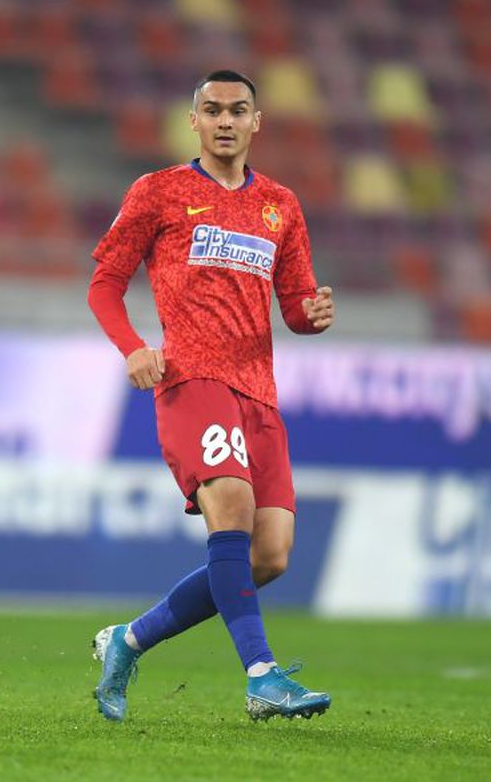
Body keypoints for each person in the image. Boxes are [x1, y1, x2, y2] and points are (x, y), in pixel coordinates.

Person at [87, 70, 335, 723]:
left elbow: (296, 307)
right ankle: (262, 676)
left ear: (258, 123)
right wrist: (135, 349)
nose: (225, 121)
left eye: (238, 110)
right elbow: (104, 285)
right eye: (211, 109)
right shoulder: (159, 192)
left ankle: (128, 640)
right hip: (191, 378)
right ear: (192, 121)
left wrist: (313, 313)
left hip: (259, 391)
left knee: (270, 554)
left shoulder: (281, 204)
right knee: (231, 505)